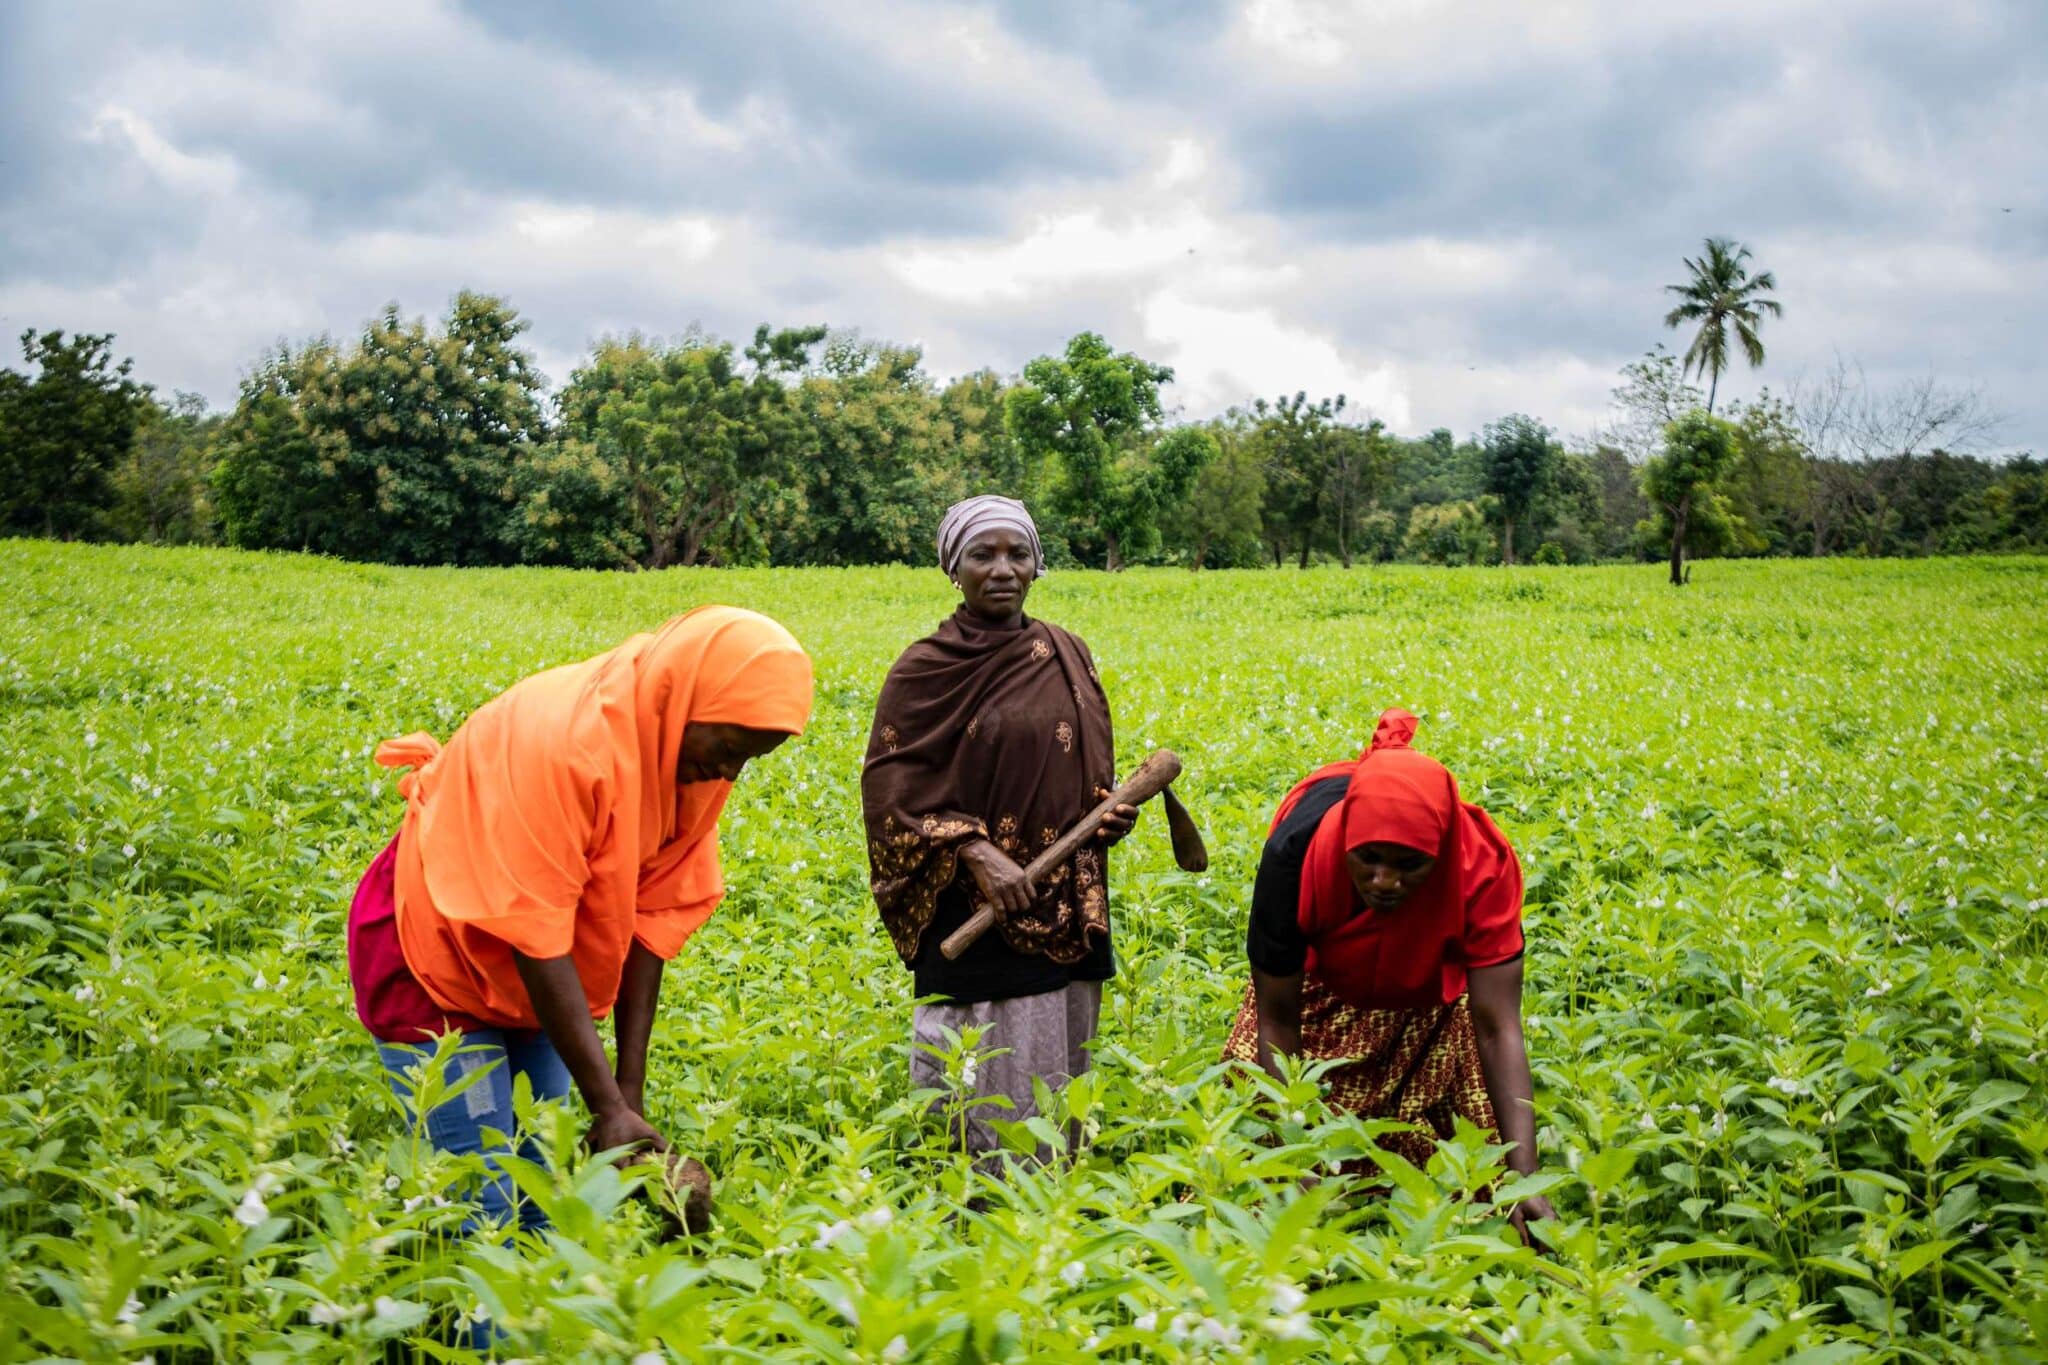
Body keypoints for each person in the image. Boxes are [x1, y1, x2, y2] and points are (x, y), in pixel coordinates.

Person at [346, 606, 813, 1233]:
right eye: (729, 749)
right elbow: (532, 930)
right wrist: (606, 1105)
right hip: (435, 952)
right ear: (684, 698)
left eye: (751, 759)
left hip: (538, 975)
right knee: (485, 1206)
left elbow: (651, 921)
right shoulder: (567, 744)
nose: (730, 773)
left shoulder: (684, 753)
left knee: (543, 1184)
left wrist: (625, 1101)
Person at [862, 495, 1136, 1166]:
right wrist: (974, 851)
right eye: (983, 555)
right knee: (977, 1089)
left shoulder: (1066, 650)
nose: (1003, 569)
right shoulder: (924, 669)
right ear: (954, 569)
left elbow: (1080, 767)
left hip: (1062, 901)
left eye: (1018, 554)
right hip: (974, 909)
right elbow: (890, 790)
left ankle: (1049, 1209)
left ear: (1037, 565)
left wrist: (1104, 815)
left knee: (1056, 1088)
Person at [1223, 707, 1556, 1240]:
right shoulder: (1296, 856)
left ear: (1441, 853)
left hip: (1424, 997)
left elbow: (1497, 1027)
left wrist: (1526, 1177)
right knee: (1258, 1164)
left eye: (1409, 865)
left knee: (1464, 1184)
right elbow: (1278, 1018)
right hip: (1317, 994)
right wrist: (1295, 1152)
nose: (1384, 881)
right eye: (1369, 859)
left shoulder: (1481, 867)